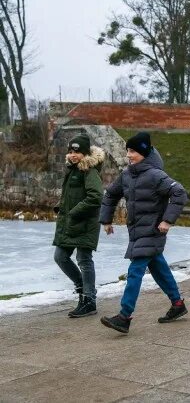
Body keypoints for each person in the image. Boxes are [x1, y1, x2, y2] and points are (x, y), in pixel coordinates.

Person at [99, 132, 188, 334]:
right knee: (159, 269)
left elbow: (180, 193)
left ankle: (124, 316)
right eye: (128, 151)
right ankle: (177, 304)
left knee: (135, 272)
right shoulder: (128, 175)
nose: (128, 155)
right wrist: (106, 219)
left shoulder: (156, 175)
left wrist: (167, 220)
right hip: (137, 233)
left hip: (152, 231)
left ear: (144, 153)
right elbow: (111, 195)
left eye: (133, 151)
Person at [52, 134, 104, 318]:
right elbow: (74, 194)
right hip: (72, 222)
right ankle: (84, 288)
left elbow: (96, 197)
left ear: (85, 153)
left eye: (78, 152)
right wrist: (62, 207)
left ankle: (89, 300)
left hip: (86, 222)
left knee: (84, 258)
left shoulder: (89, 171)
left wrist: (73, 211)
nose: (73, 155)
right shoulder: (73, 169)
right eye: (71, 151)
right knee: (60, 256)